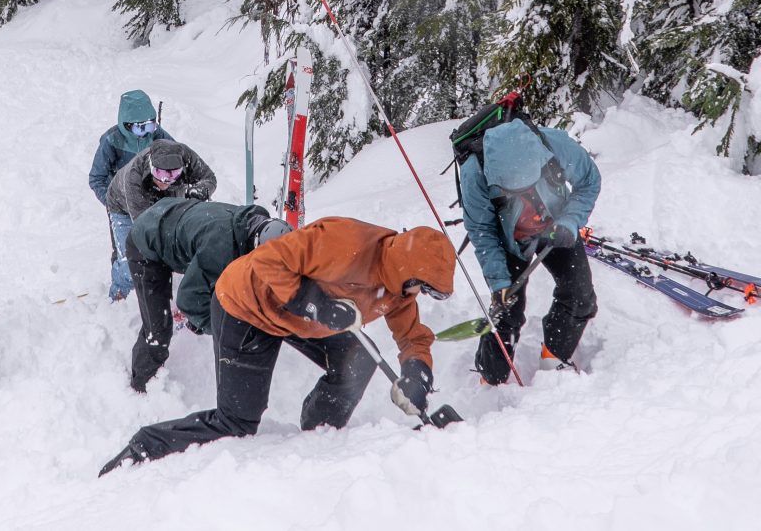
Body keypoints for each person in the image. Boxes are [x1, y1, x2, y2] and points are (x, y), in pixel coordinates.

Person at [99, 217, 455, 475]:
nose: (419, 295)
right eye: (422, 287)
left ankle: (320, 434)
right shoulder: (343, 241)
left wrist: (417, 371)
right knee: (236, 421)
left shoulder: (399, 292)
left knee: (358, 359)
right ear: (408, 271)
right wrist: (312, 301)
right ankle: (146, 444)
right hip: (247, 306)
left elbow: (413, 337)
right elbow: (270, 259)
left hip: (302, 317)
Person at [459, 118, 601, 385]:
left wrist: (569, 222)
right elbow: (481, 231)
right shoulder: (474, 172)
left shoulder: (554, 145)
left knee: (580, 295)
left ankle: (554, 356)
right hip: (508, 241)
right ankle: (490, 378)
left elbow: (589, 181)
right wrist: (499, 281)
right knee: (507, 311)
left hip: (555, 225)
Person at [126, 197, 292, 392]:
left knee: (208, 292)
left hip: (171, 215)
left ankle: (189, 320)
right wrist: (219, 328)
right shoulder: (221, 247)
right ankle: (141, 386)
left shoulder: (256, 223)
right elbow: (188, 299)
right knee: (158, 331)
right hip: (146, 243)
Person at [104, 138, 217, 301]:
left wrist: (199, 191)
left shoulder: (187, 157)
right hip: (123, 207)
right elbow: (145, 227)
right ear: (151, 166)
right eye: (160, 174)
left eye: (173, 174)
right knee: (133, 258)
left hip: (169, 201)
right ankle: (118, 294)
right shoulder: (133, 178)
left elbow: (209, 178)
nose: (166, 181)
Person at [89, 90, 174, 301]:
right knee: (126, 255)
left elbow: (177, 161)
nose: (146, 132)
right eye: (140, 127)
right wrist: (113, 202)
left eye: (150, 125)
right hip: (122, 208)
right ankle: (120, 294)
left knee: (157, 251)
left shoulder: (159, 137)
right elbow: (96, 178)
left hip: (153, 206)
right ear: (126, 125)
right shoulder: (111, 142)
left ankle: (155, 292)